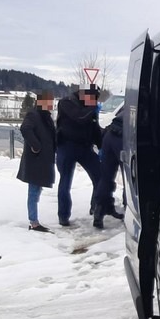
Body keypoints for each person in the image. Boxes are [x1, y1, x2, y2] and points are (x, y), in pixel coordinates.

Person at [55, 85, 102, 226]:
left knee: (100, 177)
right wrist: (92, 109)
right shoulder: (66, 102)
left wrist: (101, 146)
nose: (94, 102)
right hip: (66, 146)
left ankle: (96, 210)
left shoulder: (90, 106)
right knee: (65, 181)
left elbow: (94, 127)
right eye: (92, 98)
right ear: (84, 95)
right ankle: (63, 216)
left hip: (84, 147)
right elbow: (80, 117)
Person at [17, 90, 56, 232]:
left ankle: (34, 220)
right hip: (36, 160)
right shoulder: (33, 115)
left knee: (36, 189)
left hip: (43, 160)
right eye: (49, 102)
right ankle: (33, 222)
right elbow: (25, 129)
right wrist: (36, 146)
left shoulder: (45, 116)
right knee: (33, 190)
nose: (51, 104)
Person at [91, 104, 126, 228]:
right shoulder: (148, 103)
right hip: (123, 139)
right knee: (129, 178)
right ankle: (128, 210)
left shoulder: (130, 103)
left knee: (106, 177)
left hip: (109, 136)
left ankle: (99, 212)